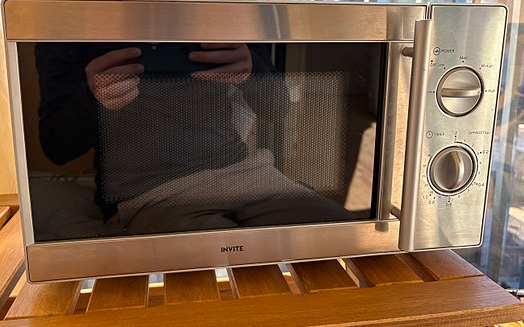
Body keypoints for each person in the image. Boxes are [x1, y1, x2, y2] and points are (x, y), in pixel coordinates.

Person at [32, 41, 355, 239]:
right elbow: (56, 146)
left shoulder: (221, 13)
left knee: (351, 239)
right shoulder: (72, 27)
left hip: (245, 173)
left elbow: (277, 108)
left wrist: (251, 70)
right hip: (149, 193)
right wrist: (92, 98)